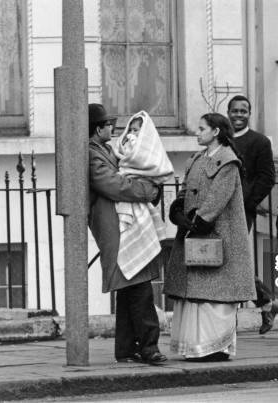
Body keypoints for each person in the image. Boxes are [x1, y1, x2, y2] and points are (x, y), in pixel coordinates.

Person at [165, 112, 256, 361]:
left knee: (216, 296)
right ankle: (197, 347)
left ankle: (216, 347)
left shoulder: (228, 161)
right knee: (197, 295)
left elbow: (218, 197)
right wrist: (178, 210)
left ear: (215, 132)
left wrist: (200, 221)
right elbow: (186, 189)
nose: (197, 132)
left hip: (219, 237)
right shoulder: (197, 159)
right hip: (196, 235)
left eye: (201, 128)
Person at [87, 104, 167, 365]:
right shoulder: (92, 154)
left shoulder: (106, 150)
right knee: (140, 288)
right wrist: (148, 191)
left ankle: (125, 349)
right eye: (109, 123)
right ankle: (149, 347)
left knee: (129, 288)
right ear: (99, 129)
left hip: (122, 224)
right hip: (116, 227)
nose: (113, 127)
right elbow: (114, 185)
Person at [227, 95, 278, 334]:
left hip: (241, 209)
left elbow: (267, 177)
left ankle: (264, 302)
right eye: (235, 110)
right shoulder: (221, 139)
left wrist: (248, 202)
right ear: (228, 112)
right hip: (217, 208)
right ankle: (267, 302)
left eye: (243, 111)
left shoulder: (259, 141)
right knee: (228, 259)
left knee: (231, 257)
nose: (239, 114)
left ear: (249, 113)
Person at [111, 110, 174, 280]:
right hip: (129, 196)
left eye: (136, 130)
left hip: (141, 195)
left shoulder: (149, 148)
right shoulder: (120, 148)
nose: (132, 134)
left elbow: (153, 167)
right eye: (130, 130)